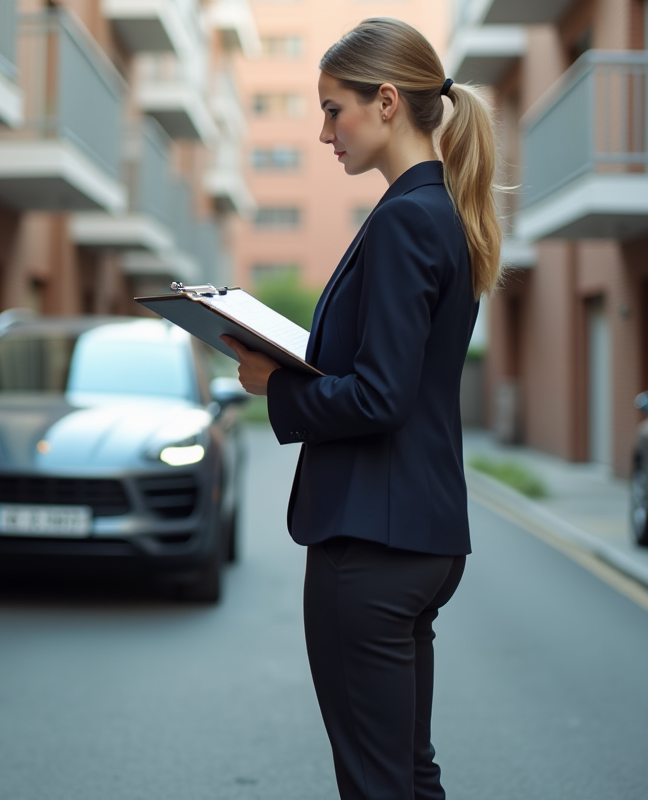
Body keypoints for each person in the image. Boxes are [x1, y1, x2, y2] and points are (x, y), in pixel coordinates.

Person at [221, 16, 502, 800]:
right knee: (406, 776)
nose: (322, 133)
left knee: (378, 784)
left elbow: (381, 395)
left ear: (386, 102)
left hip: (371, 544)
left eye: (332, 109)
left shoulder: (408, 219)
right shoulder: (441, 212)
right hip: (417, 533)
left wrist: (277, 387)